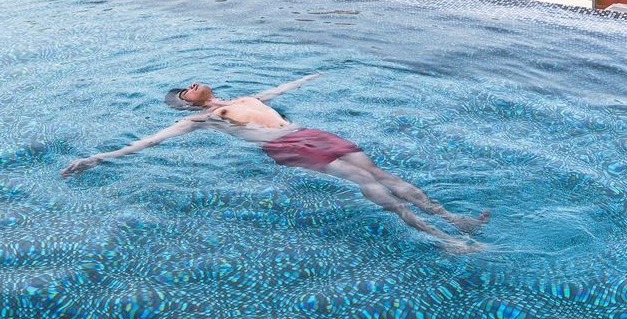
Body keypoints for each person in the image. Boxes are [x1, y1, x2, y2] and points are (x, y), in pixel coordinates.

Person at [61, 73, 488, 254]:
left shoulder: (245, 98)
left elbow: (280, 88)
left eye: (189, 84)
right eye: (183, 92)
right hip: (287, 146)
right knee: (364, 181)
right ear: (184, 106)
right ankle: (441, 238)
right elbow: (148, 143)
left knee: (380, 173)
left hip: (309, 132)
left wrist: (312, 78)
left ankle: (455, 219)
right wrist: (96, 158)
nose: (189, 87)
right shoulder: (203, 119)